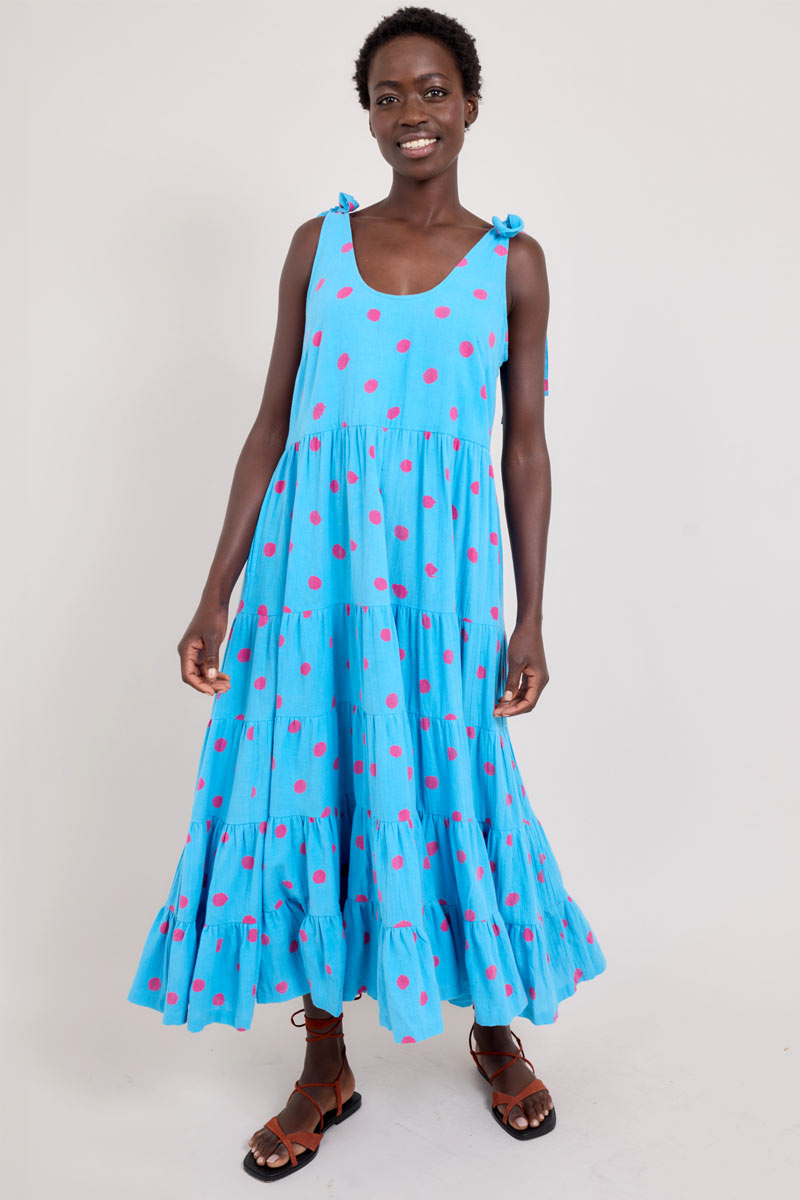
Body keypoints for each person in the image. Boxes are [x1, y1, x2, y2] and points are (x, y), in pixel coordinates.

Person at [127, 5, 607, 1181]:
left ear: (469, 104)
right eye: (387, 96)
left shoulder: (512, 264)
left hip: (439, 589)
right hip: (312, 579)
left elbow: (525, 448)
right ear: (369, 115)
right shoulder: (318, 246)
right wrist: (214, 594)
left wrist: (531, 616)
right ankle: (324, 1061)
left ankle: (491, 1028)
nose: (410, 114)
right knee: (317, 786)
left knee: (454, 783)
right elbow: (270, 424)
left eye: (431, 90)